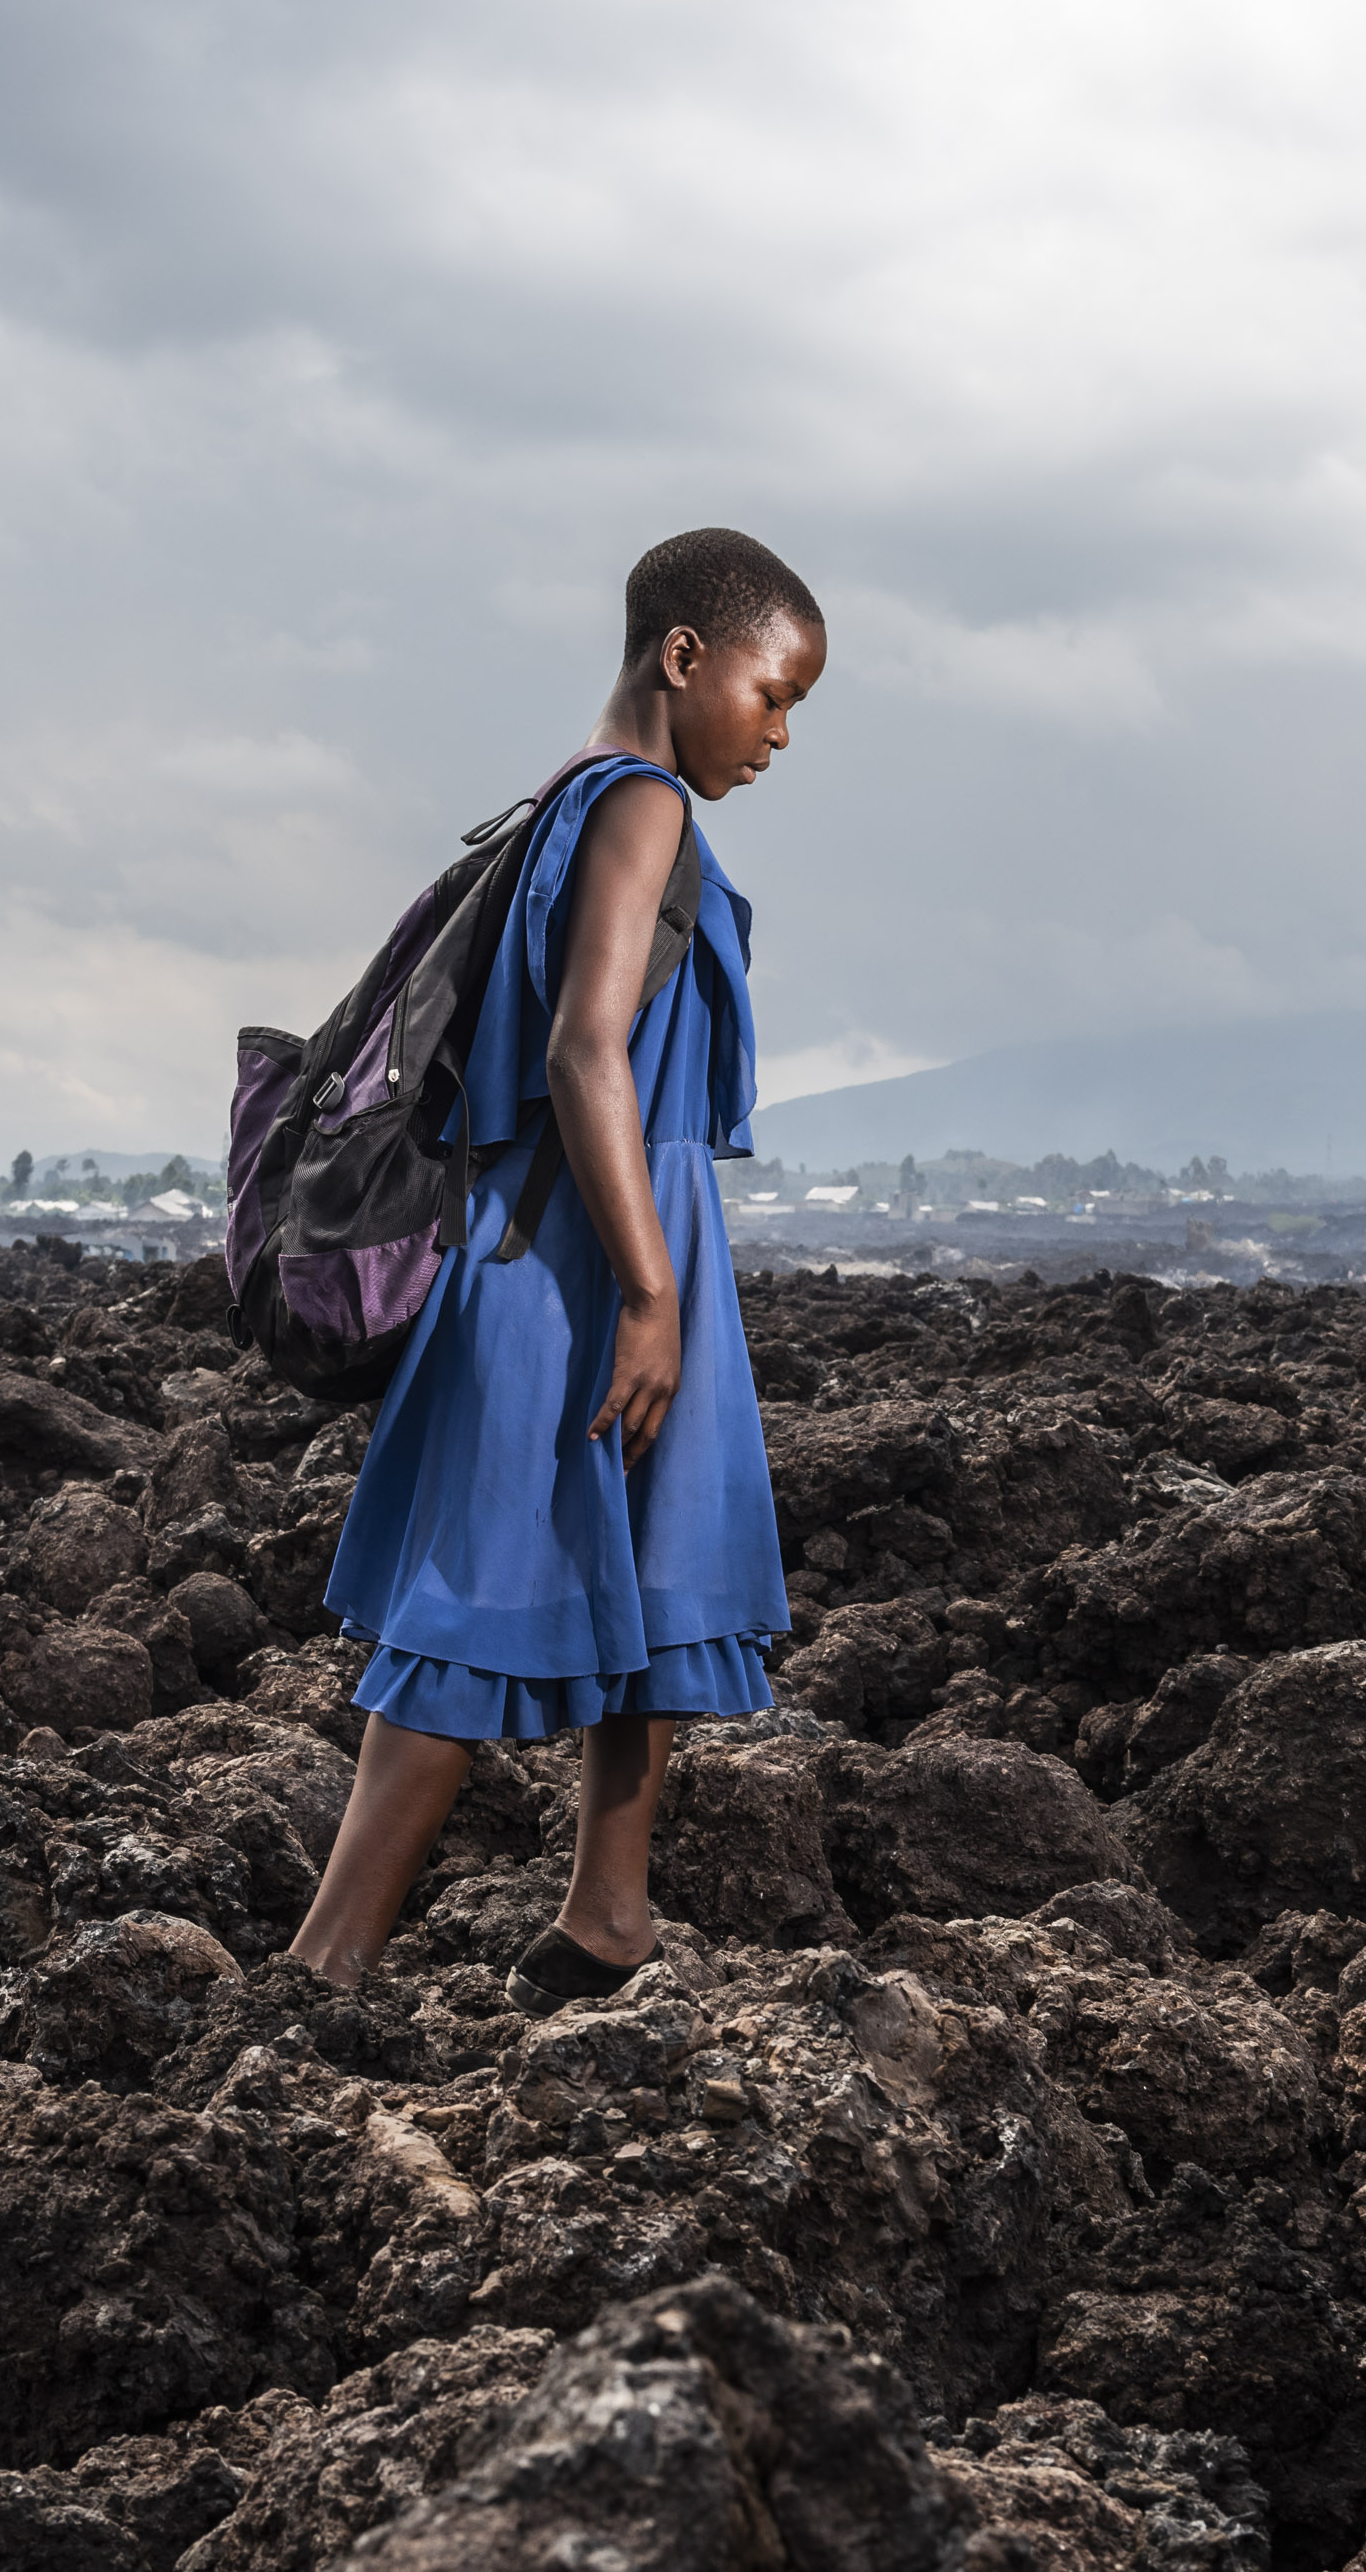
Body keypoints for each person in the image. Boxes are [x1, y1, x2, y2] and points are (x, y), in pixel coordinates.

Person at [292, 529, 825, 2011]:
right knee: (471, 1604)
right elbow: (585, 1047)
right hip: (574, 1264)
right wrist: (649, 1295)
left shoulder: (562, 799)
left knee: (651, 1584)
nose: (780, 736)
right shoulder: (639, 801)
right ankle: (324, 1959)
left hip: (600, 1240)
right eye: (773, 695)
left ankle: (609, 1912)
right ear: (683, 656)